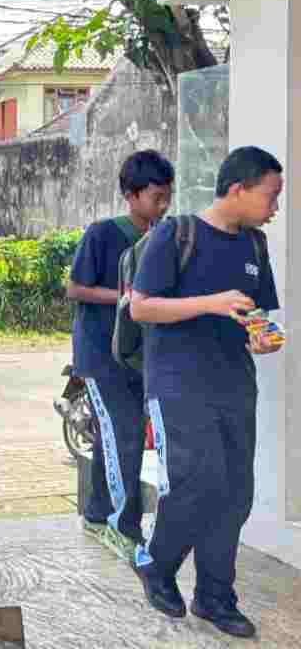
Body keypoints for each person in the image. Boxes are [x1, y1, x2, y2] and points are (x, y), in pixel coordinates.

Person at [130, 146, 283, 639]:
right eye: (270, 195)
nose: (275, 206)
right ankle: (158, 564)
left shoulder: (255, 247)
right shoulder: (177, 236)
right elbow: (141, 308)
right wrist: (211, 304)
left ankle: (216, 596)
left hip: (234, 383)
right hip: (178, 382)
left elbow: (258, 317)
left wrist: (263, 338)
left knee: (235, 493)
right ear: (237, 188)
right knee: (196, 480)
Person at [67, 150, 174, 558]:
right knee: (124, 435)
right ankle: (122, 525)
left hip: (138, 356)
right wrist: (127, 299)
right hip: (99, 356)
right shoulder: (102, 234)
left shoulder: (164, 238)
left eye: (168, 198)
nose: (162, 207)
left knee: (117, 438)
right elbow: (75, 288)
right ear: (131, 196)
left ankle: (97, 514)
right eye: (155, 198)